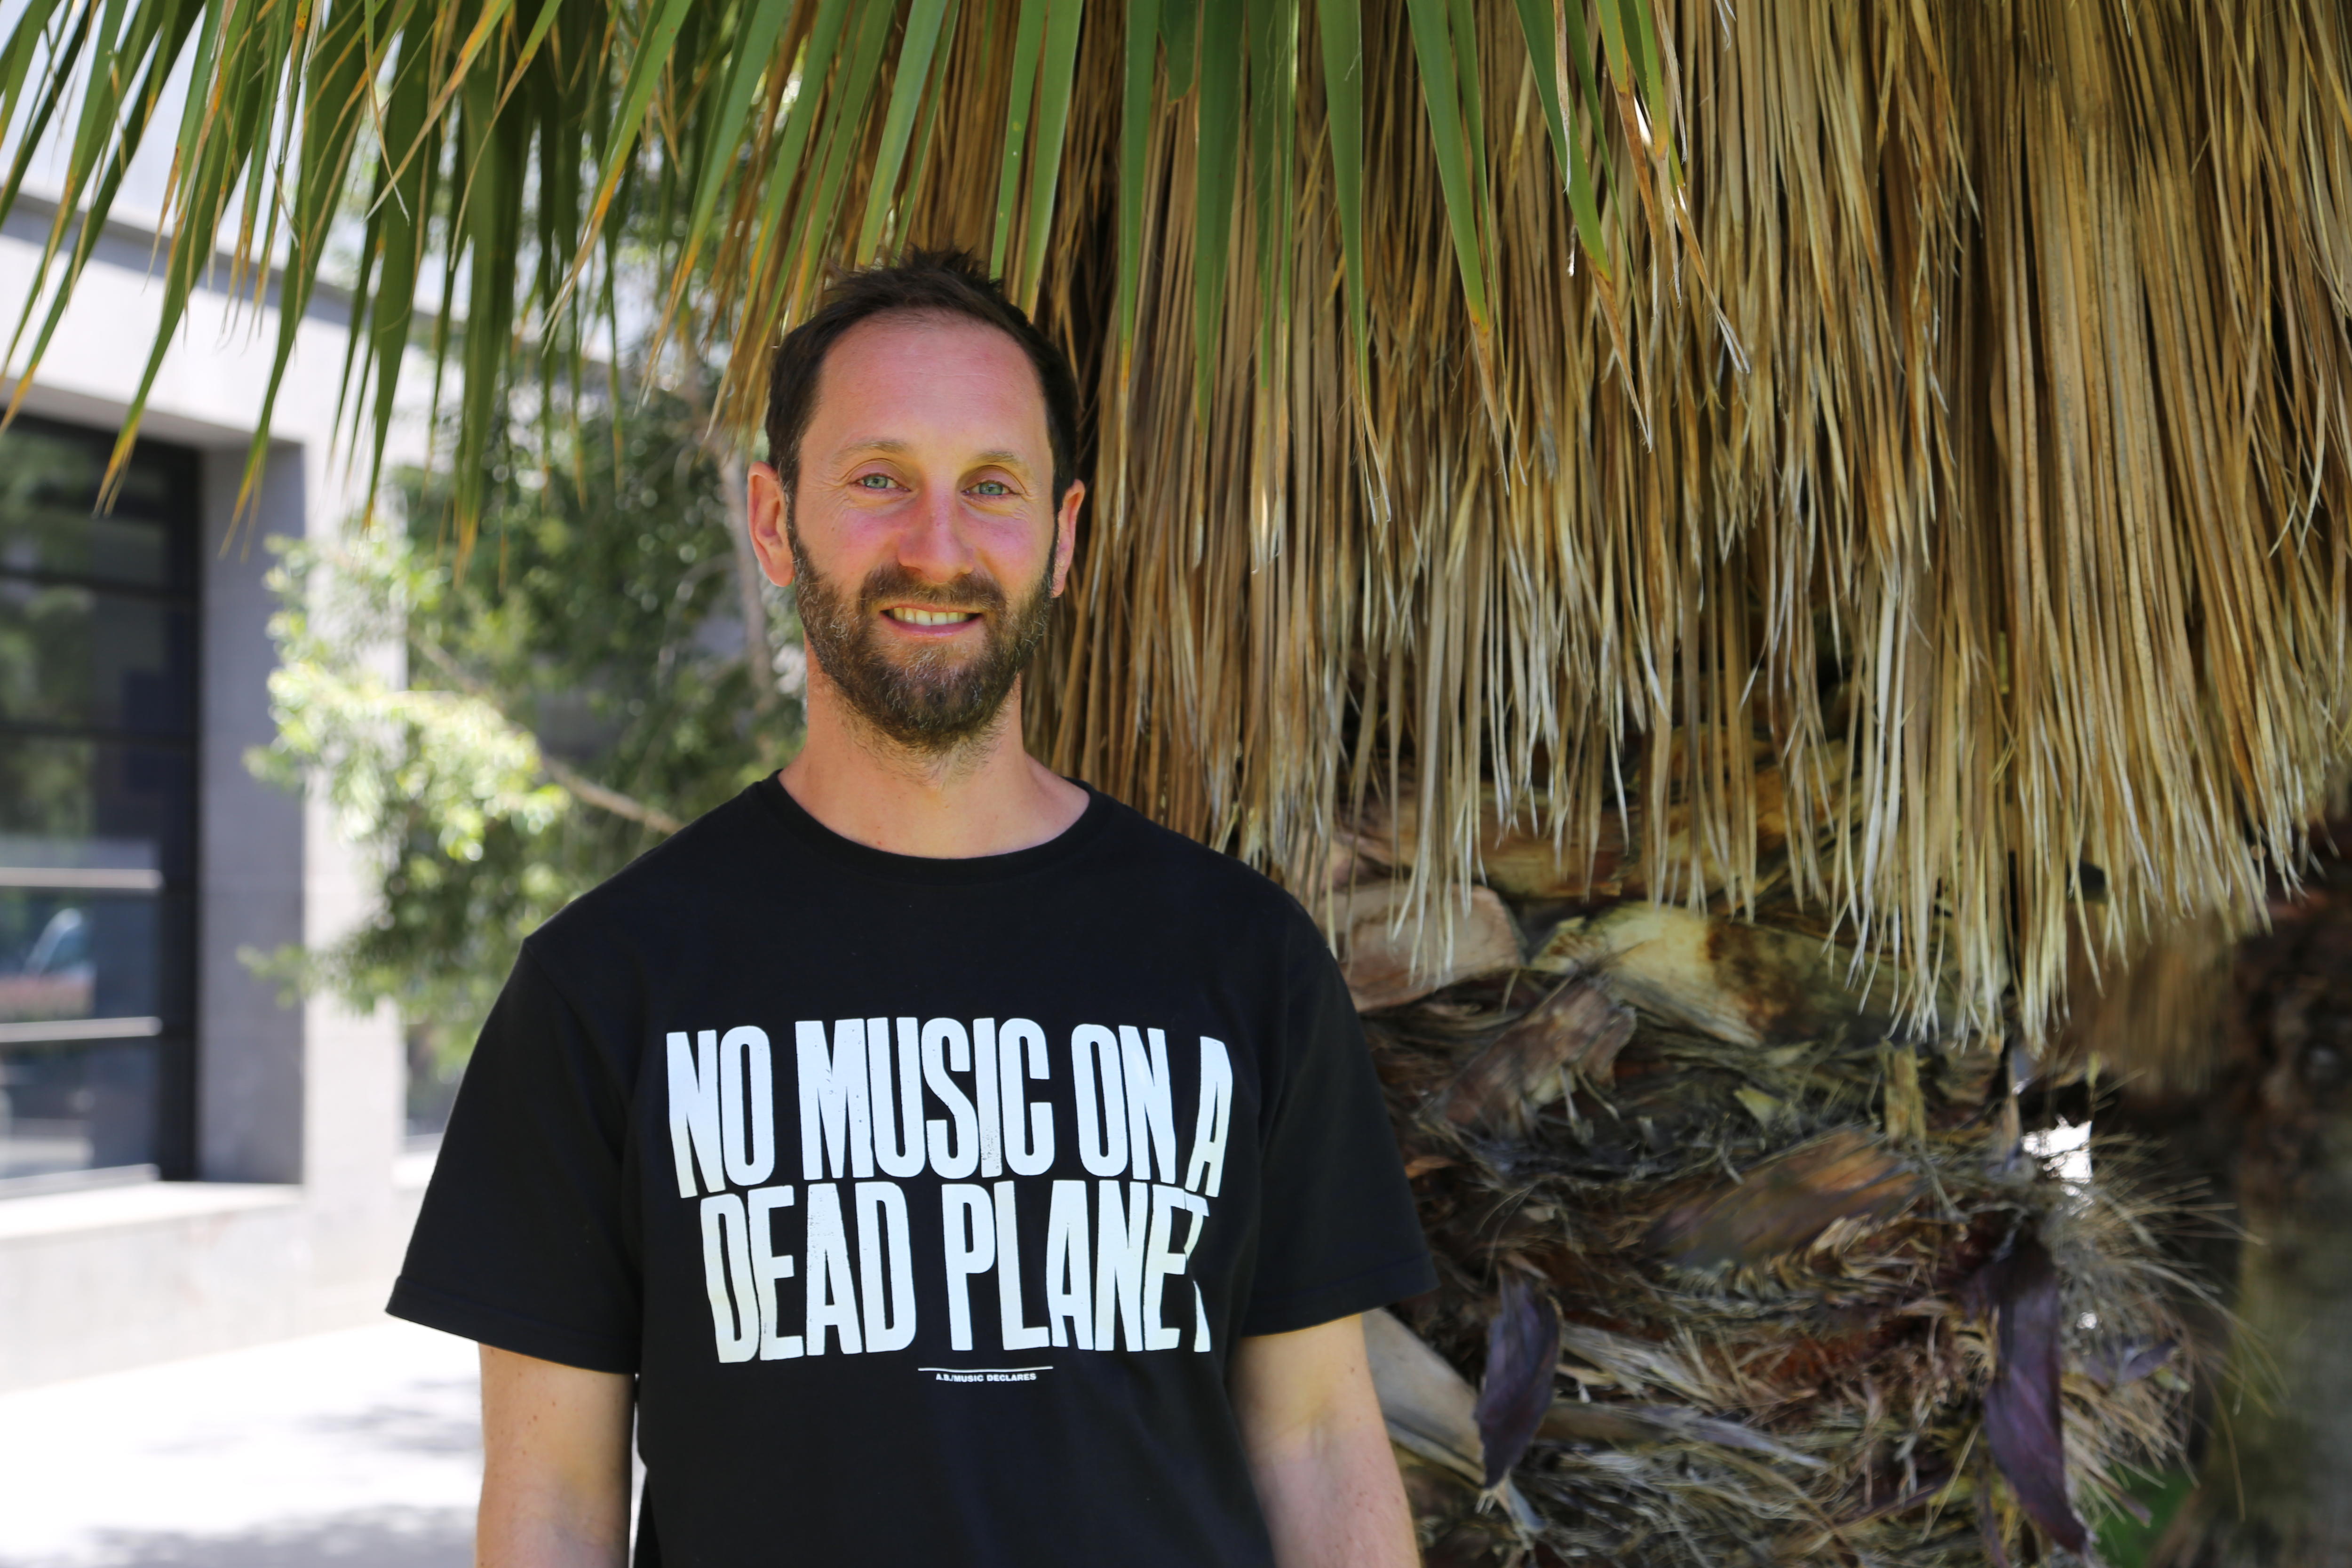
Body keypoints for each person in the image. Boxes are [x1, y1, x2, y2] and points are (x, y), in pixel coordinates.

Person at [390, 250, 1435, 1568]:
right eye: (879, 479)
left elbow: (1320, 1444)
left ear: (1062, 539)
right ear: (776, 521)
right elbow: (550, 1500)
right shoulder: (607, 985)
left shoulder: (1242, 960)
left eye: (990, 488)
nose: (937, 549)